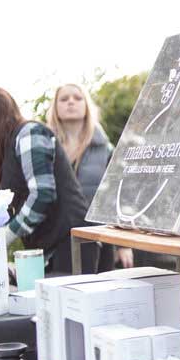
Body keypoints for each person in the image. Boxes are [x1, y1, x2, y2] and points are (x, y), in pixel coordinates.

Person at [0, 87, 90, 275]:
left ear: (1, 111)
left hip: (73, 242)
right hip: (50, 247)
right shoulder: (7, 149)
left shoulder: (29, 134)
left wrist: (7, 235)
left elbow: (42, 194)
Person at [46, 82, 132, 269]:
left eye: (77, 98)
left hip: (99, 240)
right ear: (55, 107)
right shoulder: (45, 148)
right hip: (57, 242)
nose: (71, 102)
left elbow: (118, 196)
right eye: (64, 99)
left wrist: (123, 245)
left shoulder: (105, 149)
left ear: (87, 106)